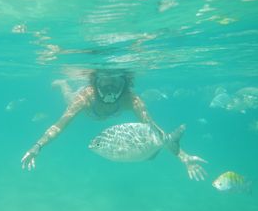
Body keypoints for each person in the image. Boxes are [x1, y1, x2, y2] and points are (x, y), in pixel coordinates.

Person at [21, 69, 207, 181]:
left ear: (124, 85)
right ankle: (63, 83)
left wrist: (184, 157)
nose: (110, 90)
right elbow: (59, 125)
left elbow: (154, 130)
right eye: (104, 84)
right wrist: (37, 146)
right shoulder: (85, 98)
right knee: (68, 98)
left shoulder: (131, 100)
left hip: (101, 113)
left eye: (115, 85)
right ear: (96, 84)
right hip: (89, 111)